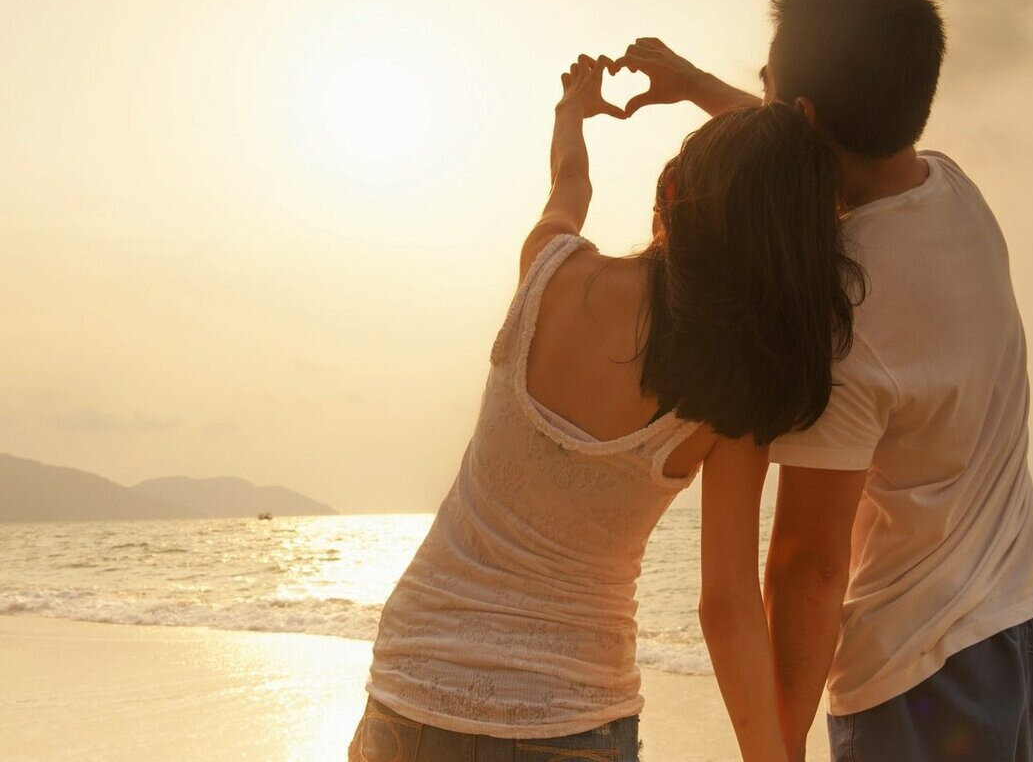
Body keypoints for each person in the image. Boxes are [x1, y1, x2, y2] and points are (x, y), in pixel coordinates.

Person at [614, 0, 1033, 760]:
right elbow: (804, 148)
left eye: (768, 87)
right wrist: (697, 85)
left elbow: (808, 562)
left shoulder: (841, 312)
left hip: (924, 679)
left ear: (800, 114)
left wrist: (781, 745)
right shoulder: (956, 191)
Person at [349, 52, 863, 762]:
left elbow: (570, 180)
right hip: (570, 717)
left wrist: (573, 113)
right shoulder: (732, 394)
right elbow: (728, 605)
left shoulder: (549, 269)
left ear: (670, 191)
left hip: (411, 684)